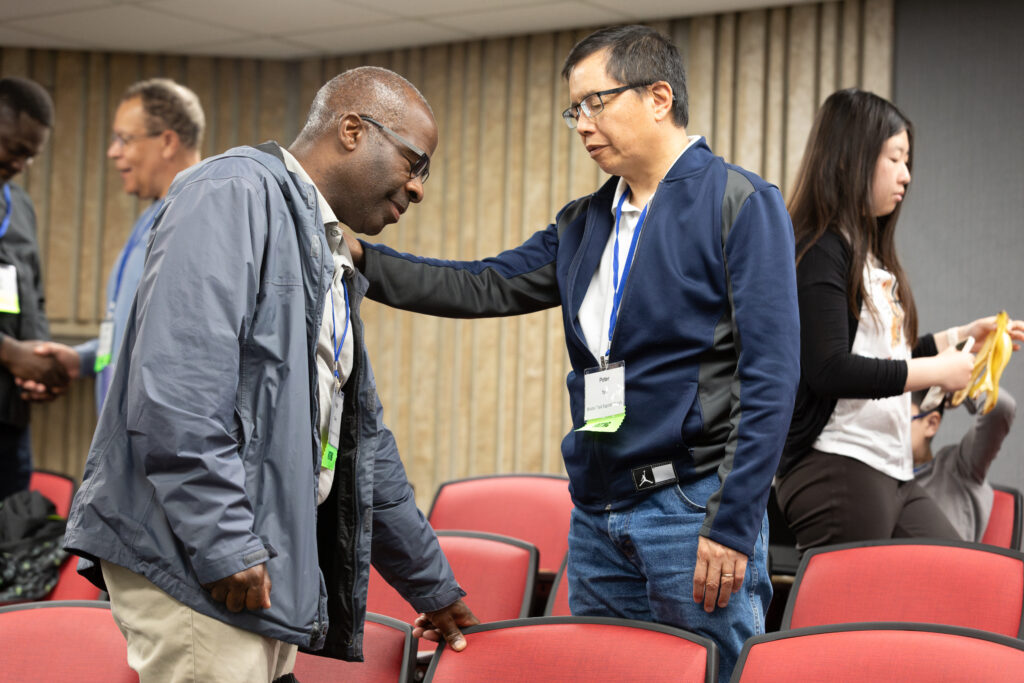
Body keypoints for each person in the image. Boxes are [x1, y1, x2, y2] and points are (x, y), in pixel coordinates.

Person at [346, 25, 800, 683]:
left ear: (659, 97)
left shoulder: (739, 203)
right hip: (598, 510)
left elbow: (772, 375)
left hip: (693, 506)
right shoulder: (584, 222)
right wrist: (364, 257)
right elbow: (482, 284)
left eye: (596, 102)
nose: (582, 124)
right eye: (573, 110)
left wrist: (732, 523)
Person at [63, 67, 477, 683]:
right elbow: (177, 388)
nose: (418, 189)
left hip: (259, 564)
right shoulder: (231, 191)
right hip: (202, 560)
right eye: (416, 163)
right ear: (353, 130)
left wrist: (432, 586)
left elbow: (363, 451)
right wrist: (224, 539)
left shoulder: (325, 250)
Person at [775, 88, 1024, 551]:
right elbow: (829, 369)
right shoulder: (818, 249)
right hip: (838, 462)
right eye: (896, 158)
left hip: (889, 466)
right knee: (852, 620)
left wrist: (962, 337)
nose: (906, 175)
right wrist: (936, 371)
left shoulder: (864, 251)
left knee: (962, 583)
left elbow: (885, 358)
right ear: (852, 158)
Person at [20, 79, 204, 412]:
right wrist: (82, 359)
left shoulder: (199, 219)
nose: (113, 151)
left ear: (166, 142)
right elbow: (131, 333)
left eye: (124, 139)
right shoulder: (152, 216)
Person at [0, 77, 68, 501]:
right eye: (15, 149)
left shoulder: (19, 205)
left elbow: (33, 296)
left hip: (10, 420)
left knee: (12, 554)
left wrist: (40, 360)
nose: (22, 164)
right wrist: (11, 353)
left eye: (31, 155)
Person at [913, 388, 1017, 542]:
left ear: (931, 423)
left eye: (896, 419)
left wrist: (959, 387)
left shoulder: (958, 469)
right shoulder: (876, 480)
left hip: (948, 564)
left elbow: (1000, 405)